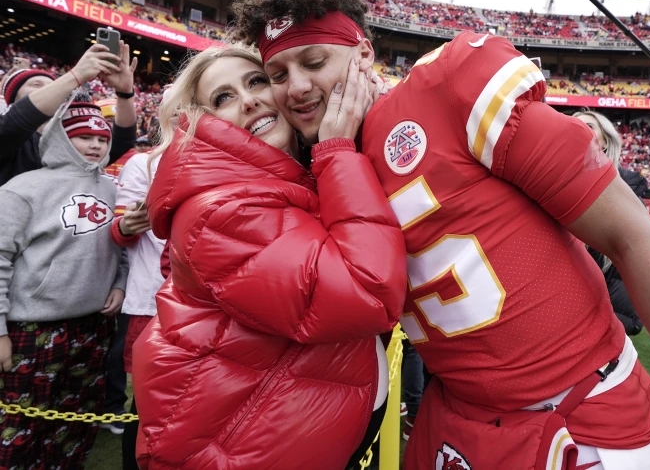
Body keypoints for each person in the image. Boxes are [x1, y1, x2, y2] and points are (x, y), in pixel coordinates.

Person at [231, 0, 650, 470]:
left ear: (364, 52)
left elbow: (631, 234)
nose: (296, 87)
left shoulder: (445, 90)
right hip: (453, 416)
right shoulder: (314, 169)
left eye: (315, 61)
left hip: (576, 411)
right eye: (278, 74)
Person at [131, 46, 407, 470]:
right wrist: (336, 150)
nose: (248, 99)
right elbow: (364, 290)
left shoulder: (285, 180)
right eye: (222, 98)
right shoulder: (221, 210)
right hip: (235, 448)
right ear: (202, 122)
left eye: (256, 81)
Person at [0, 95, 127, 469]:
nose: (96, 145)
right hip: (32, 329)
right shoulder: (22, 188)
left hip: (93, 326)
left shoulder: (111, 188)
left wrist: (118, 283)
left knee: (75, 421)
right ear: (57, 136)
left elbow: (119, 246)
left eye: (103, 139)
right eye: (83, 136)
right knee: (21, 426)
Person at [0, 42, 138, 186]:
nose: (49, 90)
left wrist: (125, 93)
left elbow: (123, 140)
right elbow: (16, 122)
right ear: (13, 99)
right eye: (36, 85)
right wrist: (76, 75)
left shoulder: (70, 141)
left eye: (51, 85)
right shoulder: (8, 137)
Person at [109, 150, 164, 470]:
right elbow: (119, 230)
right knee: (148, 401)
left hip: (212, 301)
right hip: (153, 300)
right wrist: (128, 225)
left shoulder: (229, 156)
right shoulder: (143, 162)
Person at [574, 110, 644, 336]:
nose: (578, 129)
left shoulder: (628, 183)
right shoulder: (545, 180)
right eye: (573, 124)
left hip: (605, 285)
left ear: (605, 142)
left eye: (588, 126)